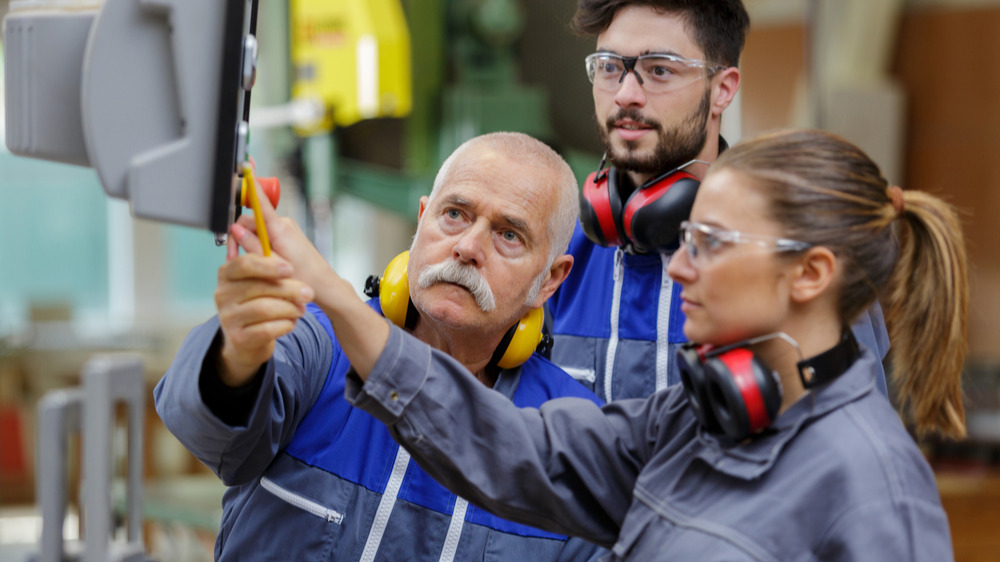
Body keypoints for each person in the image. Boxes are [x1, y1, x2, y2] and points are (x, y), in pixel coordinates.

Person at [281, 129, 963, 560]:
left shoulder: (876, 489)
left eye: (712, 244)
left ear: (811, 273)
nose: (680, 267)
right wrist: (337, 301)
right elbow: (512, 446)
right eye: (688, 241)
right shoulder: (688, 423)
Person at [154, 132, 605, 561]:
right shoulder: (317, 343)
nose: (468, 247)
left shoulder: (572, 440)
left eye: (509, 234)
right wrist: (239, 356)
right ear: (422, 218)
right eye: (454, 214)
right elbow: (202, 427)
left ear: (550, 280)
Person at [546, 0, 892, 401]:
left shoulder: (797, 260)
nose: (625, 95)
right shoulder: (562, 259)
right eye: (608, 67)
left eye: (659, 70)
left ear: (723, 90)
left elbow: (843, 442)